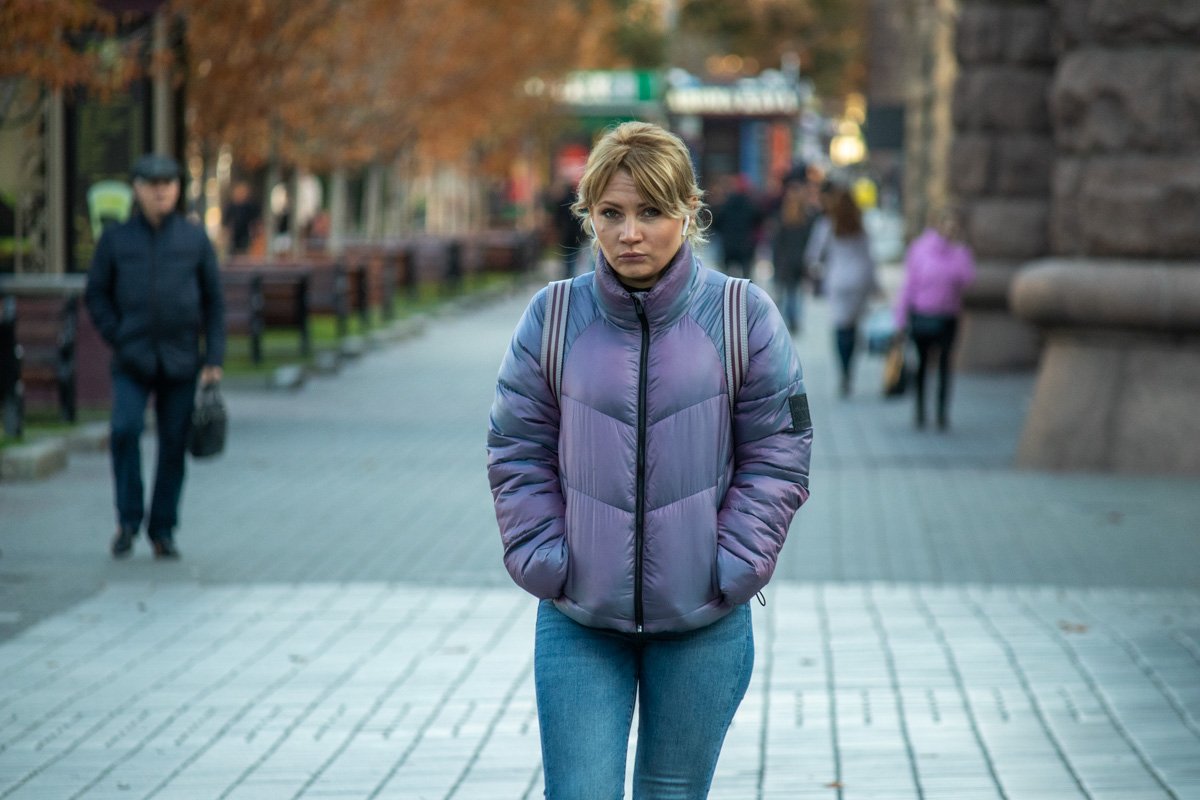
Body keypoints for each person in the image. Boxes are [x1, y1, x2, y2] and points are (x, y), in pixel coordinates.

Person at [486, 121, 813, 799]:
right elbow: (516, 447)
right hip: (582, 620)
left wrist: (732, 565)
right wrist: (550, 560)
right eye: (611, 213)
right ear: (589, 216)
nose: (630, 233)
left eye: (652, 212)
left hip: (703, 620)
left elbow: (779, 453)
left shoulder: (741, 315)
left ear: (689, 213)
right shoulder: (552, 317)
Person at [84, 153, 225, 560]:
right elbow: (96, 293)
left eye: (169, 183)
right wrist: (118, 334)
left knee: (173, 445)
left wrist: (213, 357)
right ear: (137, 189)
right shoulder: (116, 239)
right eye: (153, 183)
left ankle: (162, 528)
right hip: (133, 357)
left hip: (181, 359)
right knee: (125, 430)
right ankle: (127, 520)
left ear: (178, 189)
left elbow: (214, 301)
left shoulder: (194, 239)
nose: (162, 190)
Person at [894, 206, 976, 429]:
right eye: (946, 223)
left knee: (944, 365)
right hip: (922, 315)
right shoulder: (920, 249)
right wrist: (900, 319)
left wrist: (960, 252)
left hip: (949, 316)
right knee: (921, 364)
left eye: (954, 225)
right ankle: (920, 409)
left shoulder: (959, 252)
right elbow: (909, 285)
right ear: (937, 225)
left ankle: (941, 412)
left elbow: (967, 280)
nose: (950, 229)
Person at [805, 186, 878, 397]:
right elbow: (869, 258)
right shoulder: (861, 226)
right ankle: (850, 368)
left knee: (839, 327)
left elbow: (813, 255)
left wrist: (816, 273)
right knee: (853, 327)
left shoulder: (828, 225)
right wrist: (874, 285)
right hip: (859, 280)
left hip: (837, 280)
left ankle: (843, 370)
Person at [768, 174, 820, 334]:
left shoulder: (782, 218)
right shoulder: (807, 218)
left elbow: (777, 243)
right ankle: (795, 319)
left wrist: (775, 262)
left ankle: (787, 320)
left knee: (787, 292)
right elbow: (811, 241)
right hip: (800, 261)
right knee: (796, 293)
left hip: (785, 261)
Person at [710, 173, 762, 278]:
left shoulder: (726, 204)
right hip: (745, 244)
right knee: (747, 277)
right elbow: (758, 220)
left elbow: (716, 222)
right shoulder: (750, 204)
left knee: (726, 278)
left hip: (728, 245)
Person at [546, 176, 586, 279]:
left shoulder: (561, 201)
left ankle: (568, 275)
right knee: (574, 256)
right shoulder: (576, 201)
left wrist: (559, 229)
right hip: (577, 234)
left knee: (568, 256)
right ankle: (571, 275)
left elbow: (557, 218)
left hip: (567, 234)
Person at [220, 180, 261, 256]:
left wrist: (255, 232)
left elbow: (255, 220)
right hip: (234, 235)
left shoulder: (250, 206)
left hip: (246, 234)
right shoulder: (231, 206)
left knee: (244, 252)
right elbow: (226, 221)